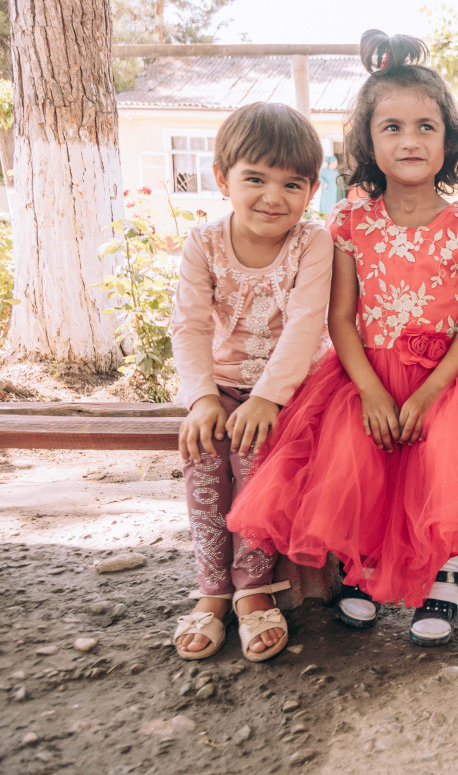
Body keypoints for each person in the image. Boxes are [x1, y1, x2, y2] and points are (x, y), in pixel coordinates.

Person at [226, 30, 458, 647]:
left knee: (439, 460)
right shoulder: (351, 220)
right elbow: (341, 318)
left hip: (451, 373)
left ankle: (439, 572)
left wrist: (432, 391)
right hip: (366, 371)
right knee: (358, 452)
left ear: (449, 138)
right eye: (392, 127)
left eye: (426, 126)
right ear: (367, 141)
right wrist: (373, 390)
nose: (410, 140)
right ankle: (365, 570)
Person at [170, 102, 333, 662]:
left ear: (311, 190)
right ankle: (210, 589)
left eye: (292, 184)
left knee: (255, 453)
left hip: (290, 391)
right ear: (223, 178)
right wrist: (200, 400)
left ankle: (251, 588)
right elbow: (188, 326)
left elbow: (308, 326)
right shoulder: (204, 244)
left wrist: (266, 398)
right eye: (255, 178)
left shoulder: (312, 243)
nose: (273, 197)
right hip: (218, 385)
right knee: (203, 450)